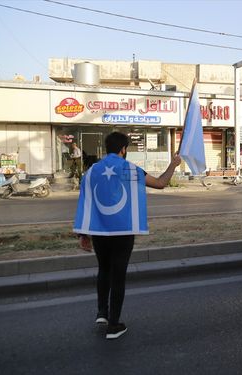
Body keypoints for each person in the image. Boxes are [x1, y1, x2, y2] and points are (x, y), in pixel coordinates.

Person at [74, 132, 181, 340]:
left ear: (107, 148)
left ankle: (102, 313)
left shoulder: (92, 171)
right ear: (124, 149)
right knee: (118, 275)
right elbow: (160, 183)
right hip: (123, 231)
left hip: (99, 231)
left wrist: (83, 233)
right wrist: (174, 165)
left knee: (103, 269)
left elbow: (85, 202)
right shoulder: (130, 170)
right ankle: (114, 326)